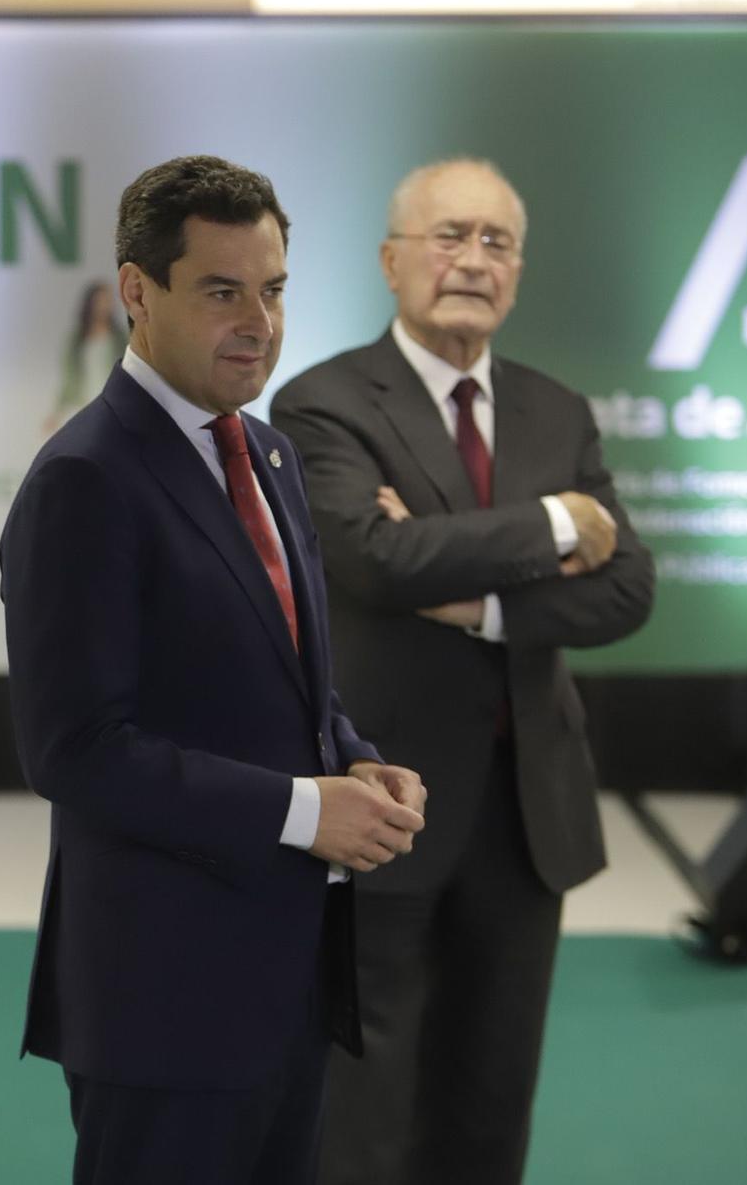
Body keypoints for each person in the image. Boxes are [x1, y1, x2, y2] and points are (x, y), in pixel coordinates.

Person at [0, 154, 428, 1185]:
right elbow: (76, 752)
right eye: (221, 291)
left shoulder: (268, 456)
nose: (257, 321)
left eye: (273, 289)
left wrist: (356, 764)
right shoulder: (84, 480)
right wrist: (298, 809)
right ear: (136, 293)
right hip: (161, 1001)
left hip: (284, 979)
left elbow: (284, 677)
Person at [270, 158, 655, 1185]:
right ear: (390, 260)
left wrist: (471, 596)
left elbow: (626, 591)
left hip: (528, 809)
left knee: (489, 1095)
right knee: (360, 1094)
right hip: (382, 791)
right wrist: (550, 526)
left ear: (517, 273)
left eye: (494, 241)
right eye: (447, 236)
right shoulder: (322, 403)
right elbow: (369, 557)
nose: (470, 260)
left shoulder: (554, 410)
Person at [45, 279, 129, 432]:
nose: (104, 306)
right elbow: (69, 378)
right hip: (82, 404)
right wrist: (57, 412)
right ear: (91, 303)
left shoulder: (120, 338)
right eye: (101, 301)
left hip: (112, 405)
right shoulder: (76, 340)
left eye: (108, 300)